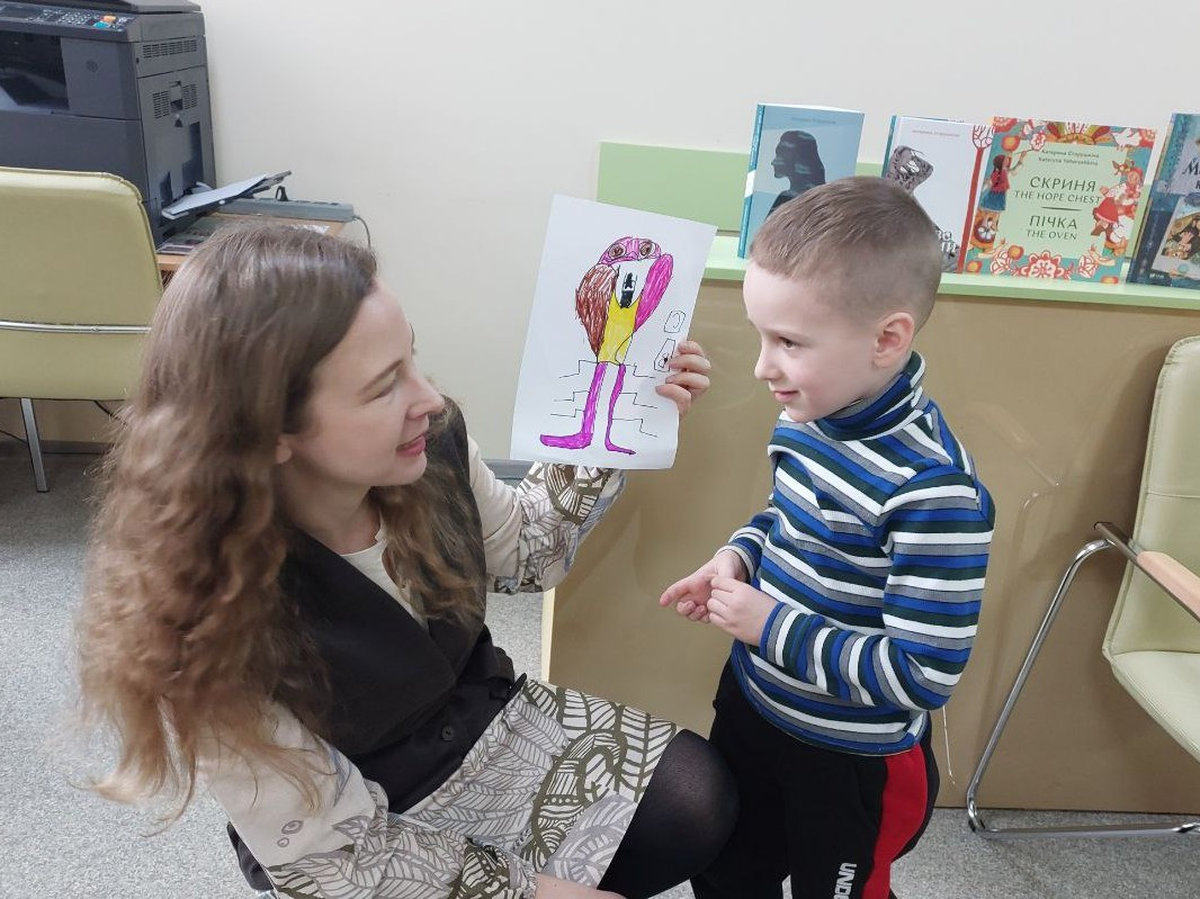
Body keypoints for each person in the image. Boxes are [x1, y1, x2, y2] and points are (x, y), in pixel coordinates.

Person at [76, 223, 736, 899]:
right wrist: (532, 892)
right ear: (268, 428)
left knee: (695, 797)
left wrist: (624, 408)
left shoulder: (431, 449)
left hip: (481, 724)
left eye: (411, 359)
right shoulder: (201, 611)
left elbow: (530, 550)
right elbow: (329, 854)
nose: (429, 399)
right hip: (354, 817)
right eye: (383, 385)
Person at [660, 177, 995, 899]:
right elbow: (786, 522)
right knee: (725, 874)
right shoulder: (808, 418)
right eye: (762, 336)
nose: (762, 366)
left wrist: (769, 625)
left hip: (850, 761)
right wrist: (738, 556)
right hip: (755, 706)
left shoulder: (935, 492)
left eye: (788, 341)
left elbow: (921, 674)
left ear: (887, 339)